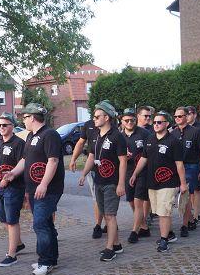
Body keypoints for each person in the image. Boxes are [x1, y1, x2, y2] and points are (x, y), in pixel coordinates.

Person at [3, 103, 64, 275]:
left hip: (48, 189)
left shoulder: (50, 134)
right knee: (46, 224)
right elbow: (25, 159)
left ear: (32, 117)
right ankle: (51, 259)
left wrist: (43, 184)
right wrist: (13, 173)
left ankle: (45, 261)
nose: (23, 120)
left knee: (39, 224)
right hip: (33, 188)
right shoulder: (30, 136)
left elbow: (53, 161)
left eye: (25, 117)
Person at [130, 111, 187, 253]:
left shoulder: (174, 141)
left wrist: (183, 183)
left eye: (159, 122)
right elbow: (144, 158)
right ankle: (170, 234)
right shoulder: (150, 138)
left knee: (164, 212)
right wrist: (135, 173)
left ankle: (164, 240)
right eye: (154, 122)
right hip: (152, 182)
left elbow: (179, 164)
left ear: (167, 124)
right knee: (159, 211)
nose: (156, 124)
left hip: (168, 182)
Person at [78, 101, 127, 262]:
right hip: (98, 180)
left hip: (112, 182)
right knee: (106, 214)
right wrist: (84, 174)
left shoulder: (117, 136)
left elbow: (123, 161)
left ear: (106, 117)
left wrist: (121, 184)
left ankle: (109, 248)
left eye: (97, 116)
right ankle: (117, 244)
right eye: (94, 116)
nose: (94, 119)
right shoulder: (95, 135)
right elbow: (92, 156)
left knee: (110, 215)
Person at [0, 112, 26, 266]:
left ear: (12, 126)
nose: (1, 127)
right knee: (4, 219)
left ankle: (12, 254)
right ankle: (18, 244)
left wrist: (8, 178)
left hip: (13, 187)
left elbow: (22, 163)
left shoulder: (19, 143)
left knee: (12, 220)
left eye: (5, 125)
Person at [68, 114, 105, 239]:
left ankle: (110, 221)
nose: (95, 118)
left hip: (108, 169)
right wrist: (73, 159)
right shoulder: (88, 125)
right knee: (97, 197)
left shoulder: (112, 127)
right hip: (92, 167)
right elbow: (81, 142)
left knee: (107, 197)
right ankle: (98, 225)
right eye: (95, 115)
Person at [172, 107, 200, 238]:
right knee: (176, 196)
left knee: (185, 196)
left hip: (191, 167)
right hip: (175, 167)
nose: (177, 119)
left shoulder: (196, 132)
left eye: (180, 116)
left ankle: (184, 225)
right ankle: (191, 219)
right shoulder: (173, 133)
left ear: (187, 117)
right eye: (175, 117)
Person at [119, 108, 151, 243]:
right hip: (128, 171)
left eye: (132, 120)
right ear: (122, 121)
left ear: (135, 120)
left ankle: (134, 231)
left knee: (138, 202)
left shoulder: (144, 133)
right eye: (126, 120)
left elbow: (150, 151)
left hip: (143, 172)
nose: (129, 122)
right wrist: (123, 157)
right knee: (131, 202)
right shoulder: (119, 136)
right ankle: (144, 227)